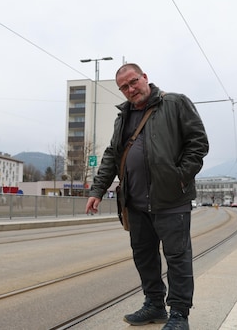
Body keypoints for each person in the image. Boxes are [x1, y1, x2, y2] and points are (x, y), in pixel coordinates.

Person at [85, 63, 209, 330]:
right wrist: (97, 190)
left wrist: (180, 176)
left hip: (171, 199)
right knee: (144, 256)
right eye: (124, 87)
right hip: (135, 202)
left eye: (133, 82)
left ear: (145, 78)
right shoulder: (124, 116)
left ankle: (179, 314)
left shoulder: (175, 103)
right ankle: (154, 304)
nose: (131, 89)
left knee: (177, 257)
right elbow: (112, 155)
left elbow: (198, 142)